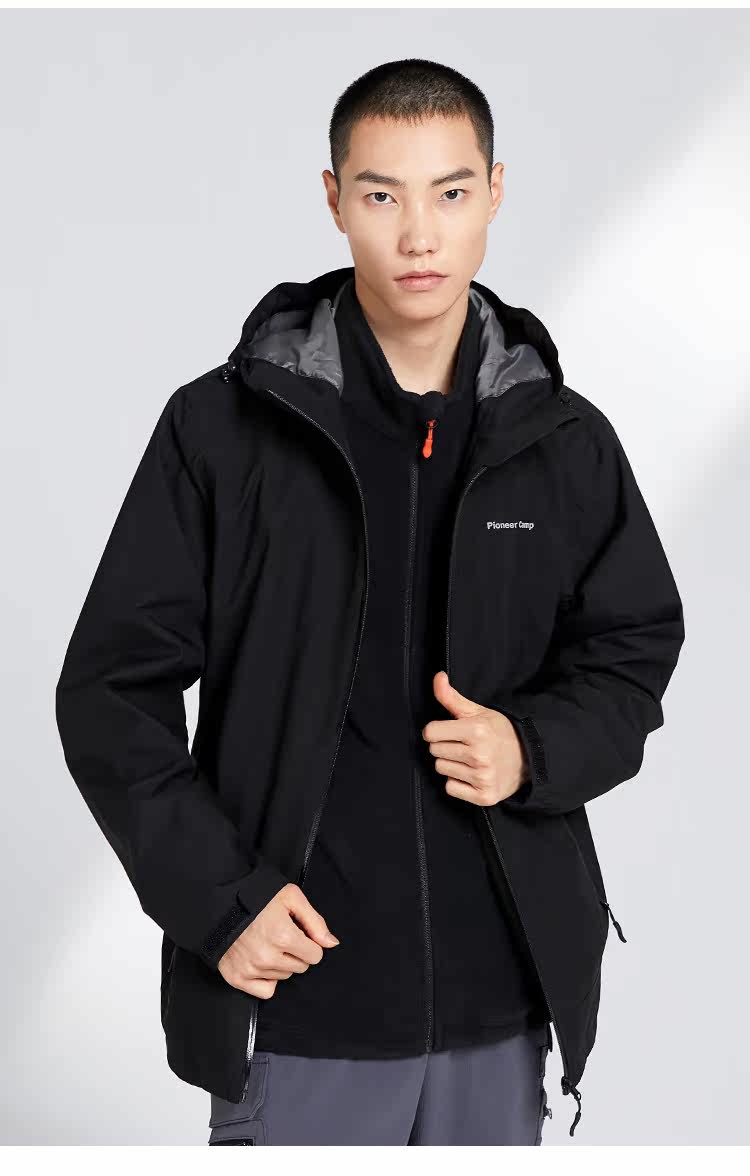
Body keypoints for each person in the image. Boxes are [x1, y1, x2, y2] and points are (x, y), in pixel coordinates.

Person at [55, 58, 685, 1145]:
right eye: (383, 194)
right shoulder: (224, 430)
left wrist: (532, 747)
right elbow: (110, 693)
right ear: (335, 199)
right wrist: (220, 900)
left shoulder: (564, 440)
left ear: (494, 193)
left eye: (450, 192)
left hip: (502, 1010)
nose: (419, 234)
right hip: (301, 1008)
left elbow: (633, 647)